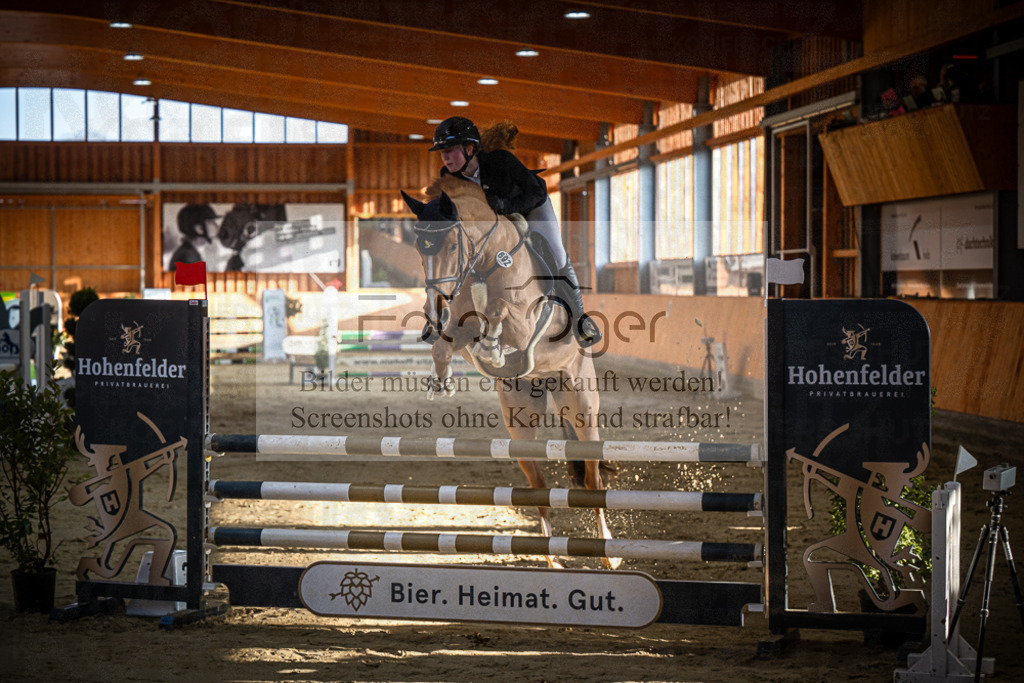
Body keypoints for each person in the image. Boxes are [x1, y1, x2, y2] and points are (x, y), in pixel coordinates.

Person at [427, 116, 601, 348]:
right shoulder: (450, 176)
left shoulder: (501, 161)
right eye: (442, 152)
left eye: (449, 150)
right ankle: (441, 318)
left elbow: (536, 192)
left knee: (556, 252)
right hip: (496, 222)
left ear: (469, 149)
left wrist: (507, 207)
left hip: (531, 207)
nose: (445, 157)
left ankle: (580, 318)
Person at [169, 204, 218, 270]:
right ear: (199, 228)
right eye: (210, 222)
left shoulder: (189, 252)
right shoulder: (189, 257)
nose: (216, 226)